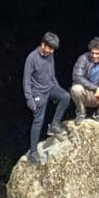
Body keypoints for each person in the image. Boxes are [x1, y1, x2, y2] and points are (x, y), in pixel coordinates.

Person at [22, 31, 70, 163]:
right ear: (43, 44)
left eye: (53, 49)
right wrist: (29, 100)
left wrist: (57, 89)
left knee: (65, 96)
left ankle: (54, 124)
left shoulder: (50, 56)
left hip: (49, 87)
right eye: (49, 48)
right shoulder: (31, 58)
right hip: (37, 92)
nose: (51, 51)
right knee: (38, 120)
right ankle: (32, 152)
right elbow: (26, 80)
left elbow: (52, 74)